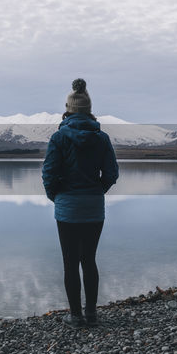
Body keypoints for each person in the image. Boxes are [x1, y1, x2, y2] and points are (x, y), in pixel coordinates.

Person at [41, 78, 118, 328]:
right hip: (94, 207)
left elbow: (49, 174)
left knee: (70, 262)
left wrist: (57, 197)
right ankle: (92, 314)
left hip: (67, 209)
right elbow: (111, 174)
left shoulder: (58, 138)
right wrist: (97, 191)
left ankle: (75, 316)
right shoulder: (102, 138)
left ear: (68, 109)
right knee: (89, 260)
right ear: (89, 110)